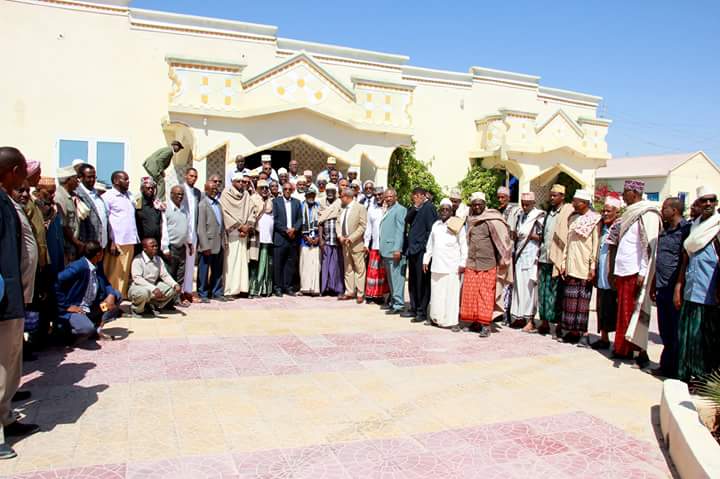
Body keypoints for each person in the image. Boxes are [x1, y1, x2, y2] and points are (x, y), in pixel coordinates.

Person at [0, 146, 39, 460]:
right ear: (13, 171)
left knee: (10, 361)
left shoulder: (7, 201)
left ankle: (5, 417)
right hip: (3, 299)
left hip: (13, 298)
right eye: (23, 171)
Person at [612, 180, 661, 368]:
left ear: (634, 192)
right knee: (623, 312)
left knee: (636, 312)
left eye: (625, 192)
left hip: (636, 272)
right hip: (624, 269)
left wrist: (643, 271)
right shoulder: (631, 212)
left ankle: (640, 352)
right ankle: (623, 348)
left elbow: (648, 245)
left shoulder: (647, 213)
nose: (623, 195)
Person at [675, 186, 720, 384]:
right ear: (698, 203)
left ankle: (704, 378)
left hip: (710, 293)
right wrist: (678, 286)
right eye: (704, 200)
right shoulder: (695, 227)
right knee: (688, 336)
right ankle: (687, 374)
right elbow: (686, 259)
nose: (708, 204)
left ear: (716, 203)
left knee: (705, 338)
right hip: (691, 288)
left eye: (712, 200)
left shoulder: (717, 227)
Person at [460, 192, 512, 337]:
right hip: (472, 263)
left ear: (484, 204)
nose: (477, 207)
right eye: (474, 204)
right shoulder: (470, 219)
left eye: (479, 204)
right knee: (471, 294)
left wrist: (503, 260)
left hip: (488, 264)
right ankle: (474, 321)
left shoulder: (493, 219)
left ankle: (485, 325)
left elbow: (503, 240)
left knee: (485, 295)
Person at [649, 197, 690, 377]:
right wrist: (653, 283)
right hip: (661, 287)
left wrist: (678, 288)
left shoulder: (686, 230)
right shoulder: (665, 231)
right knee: (665, 330)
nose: (662, 210)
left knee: (676, 332)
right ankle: (666, 366)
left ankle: (677, 369)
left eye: (664, 208)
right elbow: (659, 260)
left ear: (674, 210)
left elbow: (684, 262)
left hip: (675, 289)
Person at [55, 240, 121, 341]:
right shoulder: (78, 267)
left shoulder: (96, 265)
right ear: (98, 254)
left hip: (92, 307)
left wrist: (111, 295)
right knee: (87, 329)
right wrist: (66, 306)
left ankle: (97, 325)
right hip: (77, 308)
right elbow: (56, 281)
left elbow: (105, 283)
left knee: (117, 295)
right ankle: (64, 331)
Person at [558, 190, 601, 343]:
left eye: (576, 201)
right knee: (569, 301)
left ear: (585, 203)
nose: (573, 203)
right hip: (571, 266)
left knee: (582, 303)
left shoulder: (595, 220)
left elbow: (595, 245)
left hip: (585, 267)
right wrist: (564, 262)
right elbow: (568, 243)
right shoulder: (573, 219)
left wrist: (593, 267)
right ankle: (572, 332)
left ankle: (583, 333)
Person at [423, 198, 467, 328]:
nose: (444, 212)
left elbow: (463, 245)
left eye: (447, 209)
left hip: (451, 267)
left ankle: (453, 322)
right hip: (437, 266)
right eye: (442, 209)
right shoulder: (436, 225)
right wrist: (426, 259)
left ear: (451, 211)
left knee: (451, 296)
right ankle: (436, 318)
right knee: (437, 294)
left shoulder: (457, 224)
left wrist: (463, 263)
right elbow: (430, 244)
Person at [538, 184, 574, 335]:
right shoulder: (549, 213)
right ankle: (544, 322)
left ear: (562, 196)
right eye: (551, 195)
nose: (552, 198)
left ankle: (558, 324)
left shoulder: (567, 213)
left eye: (555, 195)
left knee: (557, 293)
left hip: (558, 259)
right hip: (544, 257)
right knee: (543, 292)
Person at [401, 188, 438, 322]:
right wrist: (415, 207)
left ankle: (421, 311)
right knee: (413, 281)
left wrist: (424, 247)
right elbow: (407, 219)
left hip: (422, 251)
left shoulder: (429, 208)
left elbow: (430, 230)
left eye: (415, 197)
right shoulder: (416, 207)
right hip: (412, 250)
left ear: (422, 196)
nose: (414, 199)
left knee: (422, 282)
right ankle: (414, 307)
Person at [509, 192, 544, 329]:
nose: (524, 207)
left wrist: (528, 235)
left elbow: (542, 237)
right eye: (523, 204)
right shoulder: (520, 215)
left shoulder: (539, 217)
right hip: (520, 255)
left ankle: (530, 320)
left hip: (531, 256)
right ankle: (519, 317)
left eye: (527, 204)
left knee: (529, 290)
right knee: (519, 287)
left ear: (533, 203)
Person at [592, 194, 622, 350]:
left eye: (608, 211)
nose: (605, 214)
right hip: (601, 276)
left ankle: (619, 343)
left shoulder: (620, 228)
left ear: (617, 212)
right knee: (601, 307)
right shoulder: (601, 228)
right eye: (603, 211)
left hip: (613, 276)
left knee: (615, 310)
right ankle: (604, 338)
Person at [220, 172, 256, 297]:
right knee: (231, 262)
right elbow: (225, 212)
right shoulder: (226, 194)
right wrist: (239, 226)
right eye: (238, 181)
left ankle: (241, 289)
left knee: (242, 262)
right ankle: (229, 289)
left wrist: (247, 227)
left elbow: (252, 211)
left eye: (243, 181)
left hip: (243, 234)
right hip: (232, 233)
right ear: (233, 182)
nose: (241, 183)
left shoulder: (246, 195)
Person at [104, 171, 139, 298]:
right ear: (116, 181)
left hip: (129, 240)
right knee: (114, 274)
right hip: (117, 241)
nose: (128, 181)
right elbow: (106, 220)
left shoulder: (129, 196)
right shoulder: (108, 196)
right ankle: (110, 300)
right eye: (125, 179)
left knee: (123, 275)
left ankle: (119, 298)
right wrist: (111, 241)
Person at [129, 238, 180, 316]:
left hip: (153, 286)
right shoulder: (138, 260)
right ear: (145, 248)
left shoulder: (158, 259)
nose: (155, 248)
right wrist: (153, 289)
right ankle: (136, 309)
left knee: (172, 289)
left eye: (156, 246)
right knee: (144, 293)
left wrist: (175, 284)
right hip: (138, 287)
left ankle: (151, 305)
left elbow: (164, 275)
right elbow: (137, 279)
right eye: (152, 246)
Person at [196, 176, 226, 302]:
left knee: (217, 270)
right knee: (204, 270)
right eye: (212, 189)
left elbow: (221, 224)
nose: (214, 190)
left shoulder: (218, 204)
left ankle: (216, 292)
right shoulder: (202, 205)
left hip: (218, 242)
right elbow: (201, 227)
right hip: (207, 244)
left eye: (216, 189)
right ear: (206, 189)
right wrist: (205, 245)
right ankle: (202, 293)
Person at [161, 186, 192, 305]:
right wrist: (165, 248)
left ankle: (177, 299)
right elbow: (164, 229)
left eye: (182, 194)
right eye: (177, 194)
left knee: (180, 274)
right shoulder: (166, 209)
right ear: (171, 194)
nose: (180, 196)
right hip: (171, 247)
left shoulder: (184, 210)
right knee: (170, 275)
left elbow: (187, 228)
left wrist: (189, 242)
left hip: (182, 247)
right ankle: (169, 300)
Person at [379, 188, 407, 315]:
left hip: (394, 250)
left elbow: (400, 230)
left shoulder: (400, 209)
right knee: (391, 279)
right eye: (386, 196)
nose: (388, 198)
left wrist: (397, 249)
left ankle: (399, 304)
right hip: (386, 250)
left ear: (396, 197)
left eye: (390, 196)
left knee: (397, 279)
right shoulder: (387, 209)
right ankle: (394, 302)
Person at [10, 182, 38, 308]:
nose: (25, 194)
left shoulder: (21, 209)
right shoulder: (9, 210)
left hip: (24, 280)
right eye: (20, 190)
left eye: (27, 190)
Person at [337, 187, 367, 303]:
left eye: (341, 196)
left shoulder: (360, 208)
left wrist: (351, 238)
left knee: (359, 269)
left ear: (347, 197)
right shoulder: (342, 208)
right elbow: (338, 223)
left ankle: (360, 293)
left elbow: (362, 226)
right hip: (344, 243)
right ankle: (349, 292)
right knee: (348, 268)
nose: (340, 198)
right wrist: (340, 235)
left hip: (356, 243)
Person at [495, 185, 521, 322]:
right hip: (498, 251)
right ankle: (497, 312)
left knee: (508, 281)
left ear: (508, 198)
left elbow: (515, 232)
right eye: (498, 197)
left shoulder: (515, 211)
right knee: (498, 281)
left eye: (503, 197)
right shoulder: (496, 211)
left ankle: (506, 312)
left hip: (509, 250)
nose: (500, 200)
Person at [272, 182, 302, 297]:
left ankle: (288, 287)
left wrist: (294, 229)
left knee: (290, 264)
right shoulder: (276, 202)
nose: (288, 191)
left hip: (293, 238)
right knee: (278, 264)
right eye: (285, 189)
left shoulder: (297, 202)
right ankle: (278, 288)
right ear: (282, 190)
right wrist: (286, 230)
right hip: (280, 237)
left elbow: (300, 219)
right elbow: (275, 220)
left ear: (292, 190)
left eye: (290, 189)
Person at [364, 187, 389, 304]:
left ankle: (381, 296)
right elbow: (368, 228)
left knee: (383, 273)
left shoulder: (389, 208)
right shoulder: (371, 209)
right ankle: (371, 295)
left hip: (386, 246)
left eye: (380, 194)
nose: (378, 197)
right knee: (374, 272)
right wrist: (366, 244)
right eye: (376, 195)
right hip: (374, 246)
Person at [318, 183, 344, 296]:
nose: (330, 193)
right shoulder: (322, 204)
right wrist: (320, 239)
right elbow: (320, 222)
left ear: (335, 192)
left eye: (332, 191)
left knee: (336, 265)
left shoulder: (340, 203)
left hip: (337, 239)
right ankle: (325, 289)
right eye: (328, 191)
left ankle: (336, 289)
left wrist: (341, 236)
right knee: (325, 266)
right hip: (326, 239)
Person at [249, 180, 274, 297]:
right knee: (255, 263)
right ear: (257, 188)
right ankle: (254, 289)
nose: (264, 190)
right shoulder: (253, 199)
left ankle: (264, 289)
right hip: (256, 236)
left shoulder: (270, 200)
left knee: (266, 264)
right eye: (262, 188)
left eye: (266, 188)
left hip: (267, 237)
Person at [55, 165, 83, 264]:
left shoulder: (69, 195)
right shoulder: (60, 196)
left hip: (72, 245)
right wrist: (77, 242)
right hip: (67, 246)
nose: (78, 182)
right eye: (75, 178)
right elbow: (63, 225)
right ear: (68, 180)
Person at [76, 164, 108, 248]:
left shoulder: (96, 194)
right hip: (88, 245)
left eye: (94, 177)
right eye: (89, 177)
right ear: (81, 177)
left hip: (102, 244)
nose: (92, 180)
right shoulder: (77, 194)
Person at [181, 168, 201, 303]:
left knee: (190, 264)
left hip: (193, 232)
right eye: (191, 176)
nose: (193, 178)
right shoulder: (180, 190)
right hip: (182, 232)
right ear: (186, 176)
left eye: (195, 177)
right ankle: (179, 293)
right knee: (182, 264)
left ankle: (188, 292)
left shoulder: (197, 193)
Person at [299, 187, 321, 296]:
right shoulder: (301, 206)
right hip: (304, 240)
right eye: (309, 195)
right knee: (305, 265)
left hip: (316, 240)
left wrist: (318, 237)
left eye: (312, 195)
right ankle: (305, 288)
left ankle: (314, 289)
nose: (311, 197)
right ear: (305, 196)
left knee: (315, 265)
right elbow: (298, 222)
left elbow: (321, 223)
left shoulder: (319, 206)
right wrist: (305, 237)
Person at [135, 177, 164, 249]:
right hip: (143, 245)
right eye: (148, 188)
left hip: (157, 243)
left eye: (152, 188)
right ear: (142, 189)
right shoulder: (137, 205)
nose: (150, 190)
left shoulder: (158, 204)